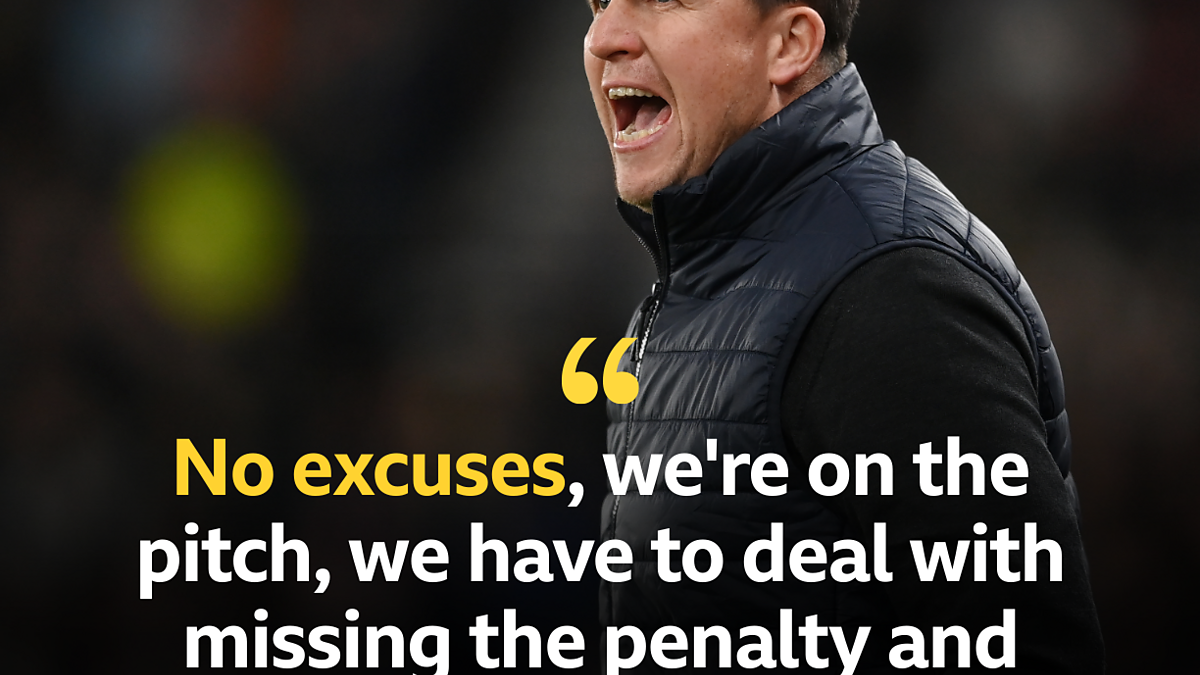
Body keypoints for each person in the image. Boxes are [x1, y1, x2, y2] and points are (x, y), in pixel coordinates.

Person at [584, 0, 1105, 672]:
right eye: (599, 2)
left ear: (790, 43)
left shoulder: (892, 289)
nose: (605, 36)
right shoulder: (701, 284)